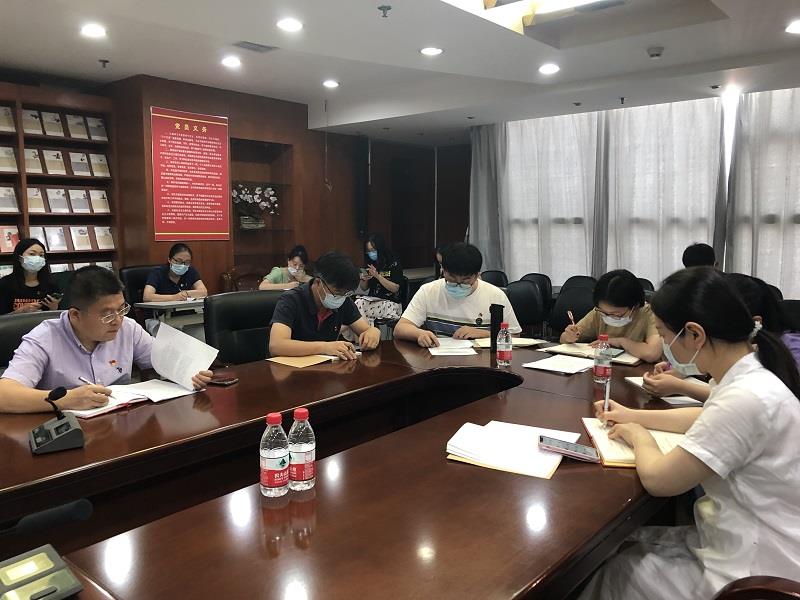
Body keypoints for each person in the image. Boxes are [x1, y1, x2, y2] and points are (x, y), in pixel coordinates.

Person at [581, 267, 800, 600]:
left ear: (695, 334)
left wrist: (639, 435)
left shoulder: (746, 396)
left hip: (758, 567)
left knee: (614, 569)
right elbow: (706, 417)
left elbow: (659, 480)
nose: (665, 346)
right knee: (622, 544)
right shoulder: (752, 372)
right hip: (756, 540)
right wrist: (632, 415)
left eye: (664, 335)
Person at [0, 266, 212, 414]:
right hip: (68, 436)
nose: (118, 321)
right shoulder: (44, 338)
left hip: (120, 426)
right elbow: (4, 394)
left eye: (121, 309)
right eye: (107, 314)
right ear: (75, 315)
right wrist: (65, 400)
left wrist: (192, 372)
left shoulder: (128, 328)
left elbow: (165, 359)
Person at [644, 272, 799, 400]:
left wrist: (680, 386)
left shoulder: (791, 348)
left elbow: (736, 401)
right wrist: (682, 369)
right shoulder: (747, 352)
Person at [394, 242, 521, 347]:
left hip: (482, 363)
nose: (458, 284)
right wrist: (419, 334)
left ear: (477, 275)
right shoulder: (428, 291)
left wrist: (484, 334)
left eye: (465, 280)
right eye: (452, 279)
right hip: (438, 361)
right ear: (443, 271)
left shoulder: (496, 296)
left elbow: (516, 337)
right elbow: (400, 328)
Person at [268, 251, 381, 360]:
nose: (340, 297)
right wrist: (325, 347)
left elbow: (365, 330)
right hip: (291, 368)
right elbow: (277, 345)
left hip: (327, 368)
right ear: (318, 282)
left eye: (346, 293)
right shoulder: (291, 299)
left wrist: (373, 332)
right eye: (337, 292)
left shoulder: (343, 299)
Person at [560, 269, 661, 362]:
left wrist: (620, 342)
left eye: (616, 314)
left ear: (635, 306)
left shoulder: (650, 313)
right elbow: (564, 339)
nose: (608, 316)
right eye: (604, 313)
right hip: (603, 366)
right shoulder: (599, 312)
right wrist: (569, 337)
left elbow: (652, 353)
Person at [0, 238, 60, 315]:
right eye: (32, 254)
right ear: (19, 257)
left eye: (41, 255)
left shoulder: (51, 284)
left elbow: (61, 316)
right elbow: (2, 319)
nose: (38, 258)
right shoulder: (5, 284)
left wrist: (54, 308)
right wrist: (20, 311)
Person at [355, 233, 404, 322]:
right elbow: (364, 288)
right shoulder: (371, 264)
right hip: (374, 301)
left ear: (380, 249)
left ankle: (363, 330)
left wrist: (377, 276)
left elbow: (395, 288)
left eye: (373, 250)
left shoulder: (393, 263)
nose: (371, 253)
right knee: (357, 304)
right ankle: (365, 330)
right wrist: (364, 279)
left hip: (391, 304)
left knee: (359, 307)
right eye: (368, 251)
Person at [143, 243, 208, 302]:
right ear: (169, 260)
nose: (183, 265)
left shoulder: (190, 271)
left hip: (184, 309)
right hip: (162, 310)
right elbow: (147, 297)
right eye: (179, 261)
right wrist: (174, 297)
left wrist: (186, 294)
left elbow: (204, 292)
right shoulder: (157, 273)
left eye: (187, 262)